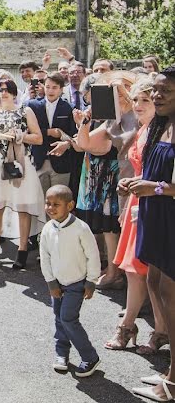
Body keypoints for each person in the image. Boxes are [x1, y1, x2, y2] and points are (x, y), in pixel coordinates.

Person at [105, 80, 168, 352]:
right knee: (136, 271)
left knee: (148, 272)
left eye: (146, 100)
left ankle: (143, 328)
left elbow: (161, 176)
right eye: (137, 100)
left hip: (152, 203)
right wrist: (129, 189)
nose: (139, 105)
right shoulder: (147, 129)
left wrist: (139, 191)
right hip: (137, 201)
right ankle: (145, 328)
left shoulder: (163, 131)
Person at [125, 66, 175, 400]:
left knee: (171, 296)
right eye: (155, 90)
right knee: (155, 285)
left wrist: (153, 188)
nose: (157, 96)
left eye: (165, 91)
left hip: (170, 217)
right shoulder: (161, 124)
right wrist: (134, 184)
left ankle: (173, 381)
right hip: (155, 215)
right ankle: (170, 371)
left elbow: (166, 185)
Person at [71, 73, 139, 290]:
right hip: (124, 179)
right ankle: (119, 275)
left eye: (124, 88)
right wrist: (85, 122)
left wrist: (127, 95)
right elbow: (85, 143)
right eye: (114, 90)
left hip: (138, 177)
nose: (118, 93)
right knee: (120, 229)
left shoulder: (144, 115)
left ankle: (127, 279)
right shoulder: (113, 118)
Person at [0, 79, 45, 269]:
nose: (4, 92)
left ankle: (22, 250)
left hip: (21, 162)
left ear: (15, 92)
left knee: (23, 207)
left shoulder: (25, 110)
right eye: (0, 90)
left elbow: (39, 138)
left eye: (8, 89)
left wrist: (21, 136)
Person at [40, 185, 102, 378]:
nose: (50, 208)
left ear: (70, 205)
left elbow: (93, 255)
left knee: (68, 319)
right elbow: (45, 257)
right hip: (57, 283)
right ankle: (61, 354)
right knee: (59, 319)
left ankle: (90, 356)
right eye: (47, 203)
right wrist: (51, 282)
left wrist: (91, 281)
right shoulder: (47, 229)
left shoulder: (81, 228)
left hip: (77, 283)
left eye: (56, 204)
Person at [28, 72, 76, 196]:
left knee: (59, 198)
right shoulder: (32, 106)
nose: (50, 90)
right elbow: (27, 131)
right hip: (39, 159)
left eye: (54, 87)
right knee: (39, 201)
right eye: (48, 86)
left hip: (61, 161)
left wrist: (66, 143)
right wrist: (48, 132)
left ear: (61, 89)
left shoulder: (68, 108)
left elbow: (73, 134)